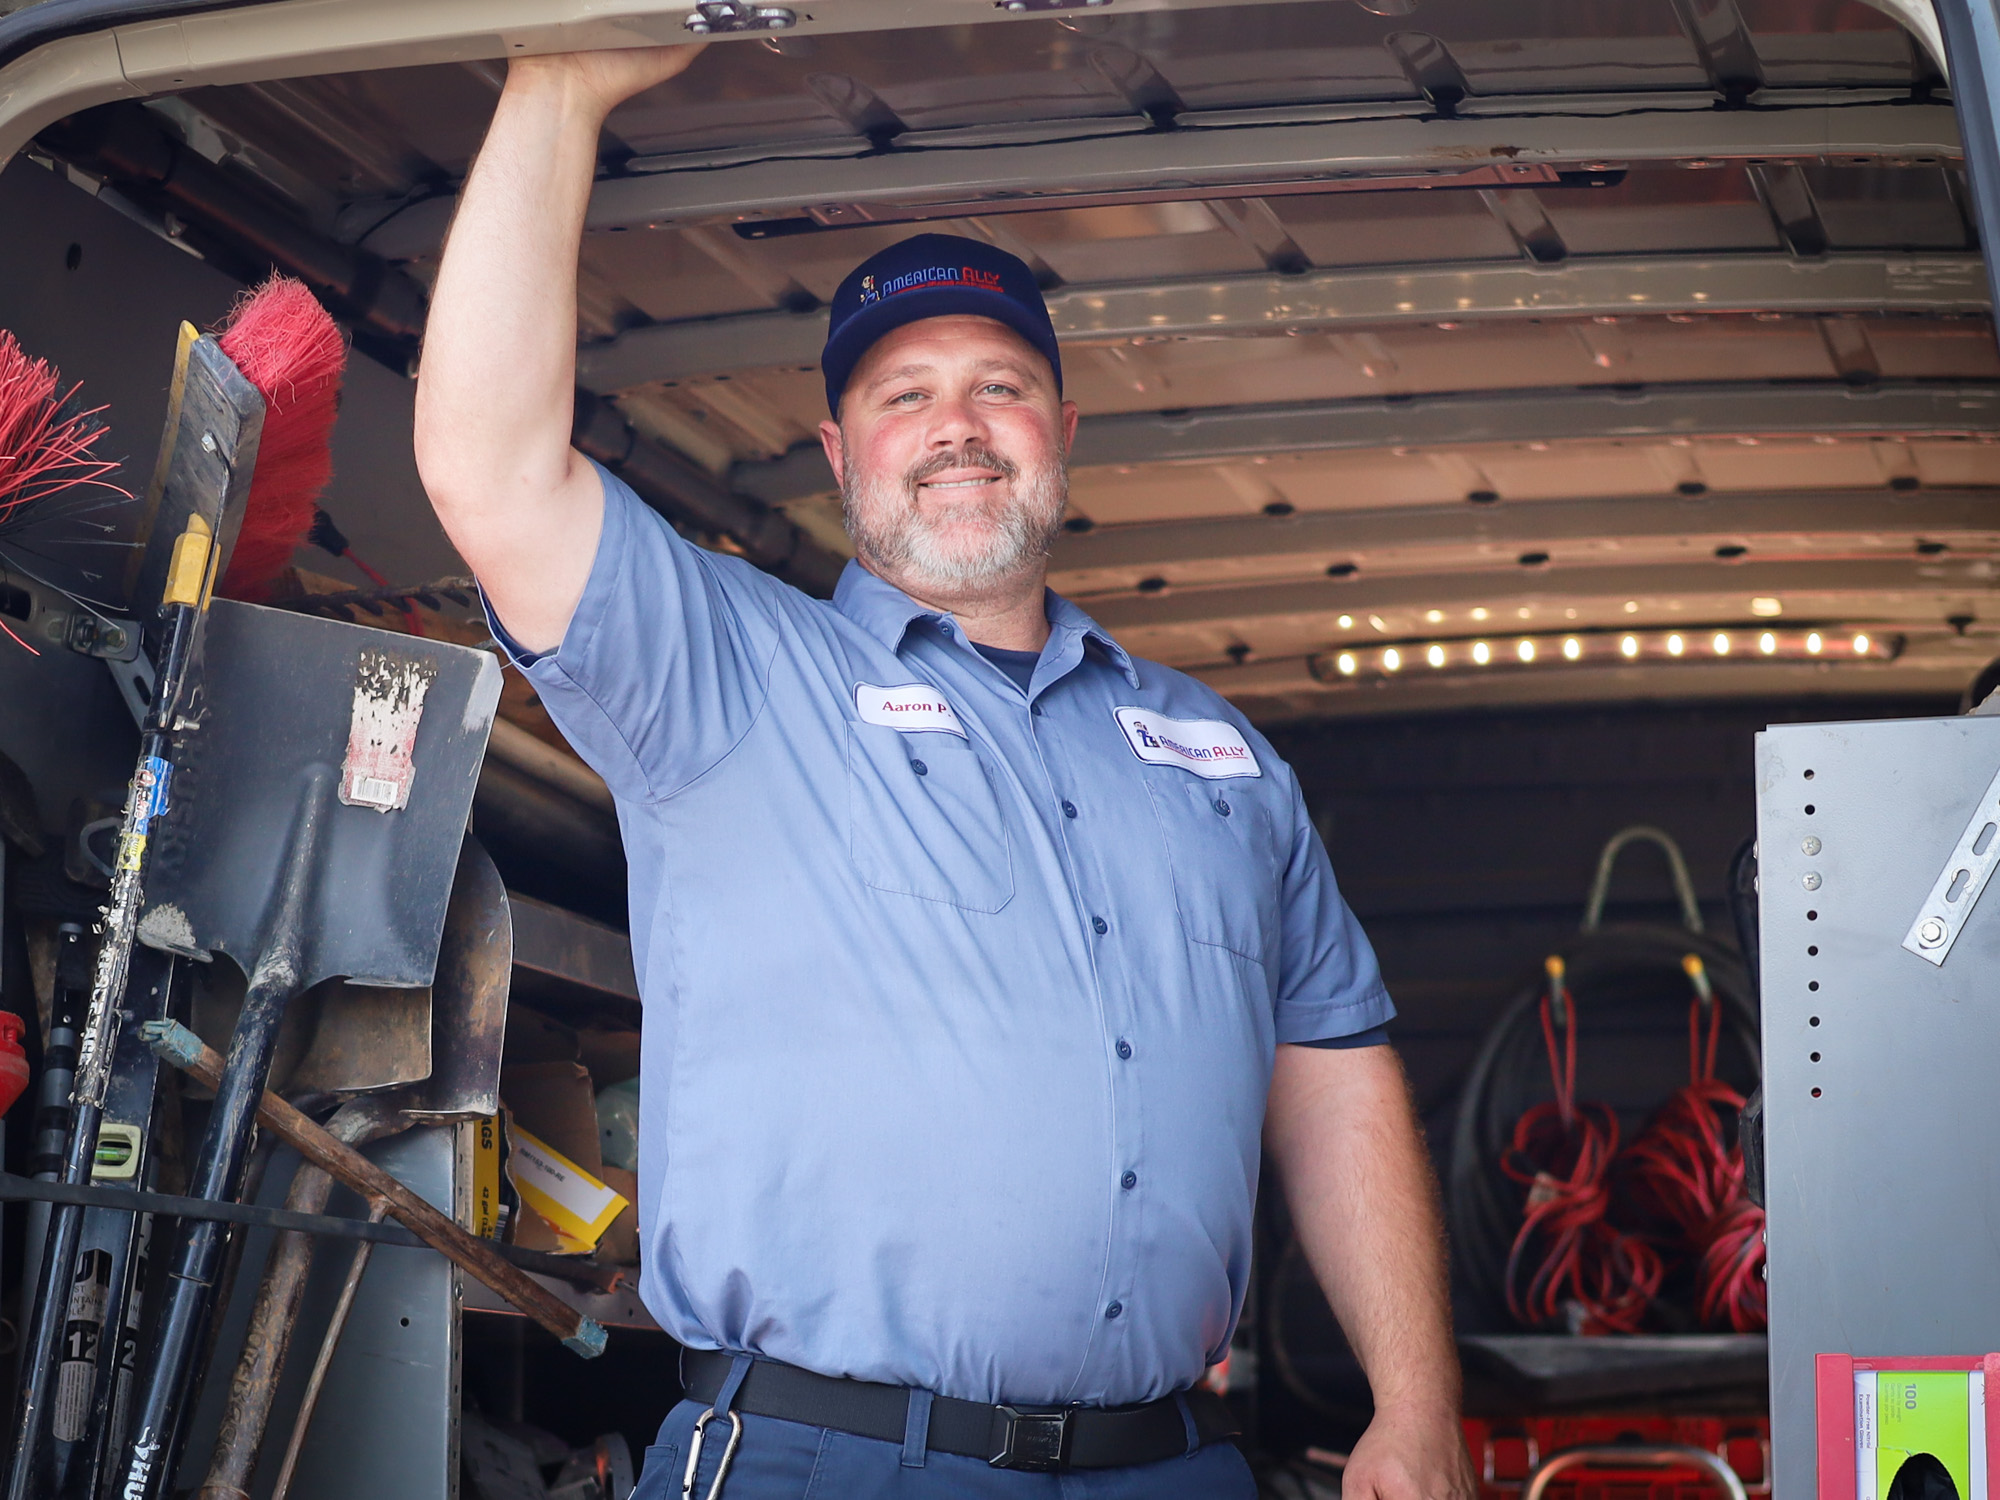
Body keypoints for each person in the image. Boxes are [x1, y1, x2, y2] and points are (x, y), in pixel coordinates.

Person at [415, 42, 1477, 1500]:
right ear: (839, 453)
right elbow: (488, 470)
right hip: (831, 1462)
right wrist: (560, 86)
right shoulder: (729, 673)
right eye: (904, 396)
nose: (958, 426)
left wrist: (1416, 1403)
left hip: (1171, 1466)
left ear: (1063, 437)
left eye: (1001, 386)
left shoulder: (1223, 756)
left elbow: (1332, 1069)